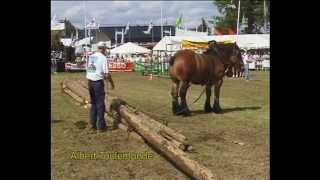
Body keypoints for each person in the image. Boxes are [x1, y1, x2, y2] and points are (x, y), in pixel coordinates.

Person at [86, 42, 115, 133]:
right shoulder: (103, 58)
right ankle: (101, 126)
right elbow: (107, 74)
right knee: (100, 104)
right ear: (103, 48)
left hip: (90, 81)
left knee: (94, 103)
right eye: (105, 49)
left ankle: (92, 125)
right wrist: (111, 83)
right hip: (97, 82)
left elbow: (91, 69)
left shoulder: (92, 56)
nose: (106, 50)